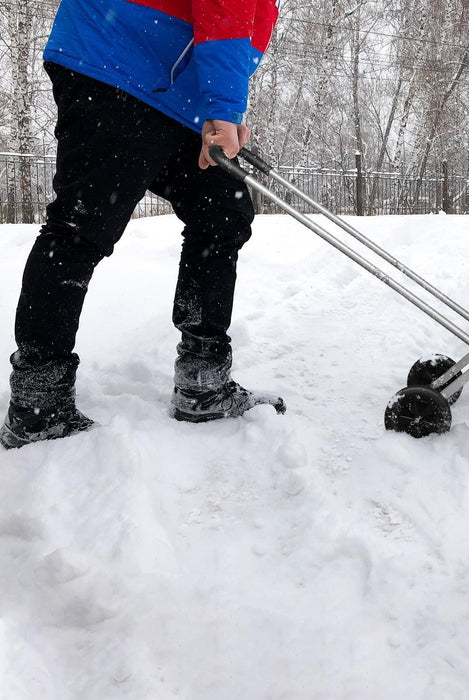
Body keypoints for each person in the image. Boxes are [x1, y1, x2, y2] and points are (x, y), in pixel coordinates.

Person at [0, 0, 284, 450]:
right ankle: (39, 405)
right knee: (81, 227)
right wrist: (225, 107)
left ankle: (202, 379)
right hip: (116, 59)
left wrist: (218, 109)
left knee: (221, 214)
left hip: (172, 89)